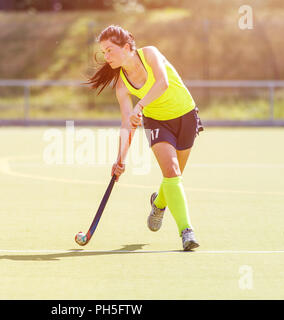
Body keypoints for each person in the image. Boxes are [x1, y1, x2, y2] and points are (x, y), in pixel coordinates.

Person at [86, 25, 204, 251]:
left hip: (186, 115)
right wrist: (120, 159)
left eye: (110, 50)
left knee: (174, 177)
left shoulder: (150, 54)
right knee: (171, 171)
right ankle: (186, 232)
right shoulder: (121, 84)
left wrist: (139, 105)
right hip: (157, 122)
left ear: (127, 47)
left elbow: (163, 83)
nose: (106, 56)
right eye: (104, 52)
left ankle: (158, 204)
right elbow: (126, 124)